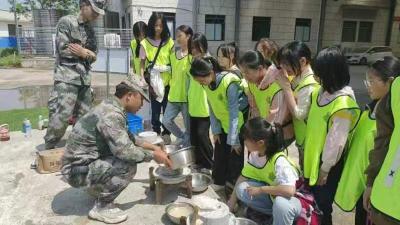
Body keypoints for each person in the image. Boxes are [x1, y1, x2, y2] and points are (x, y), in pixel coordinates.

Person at [62, 78, 172, 224]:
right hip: (75, 171)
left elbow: (129, 139)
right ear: (130, 95)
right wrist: (153, 156)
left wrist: (154, 147)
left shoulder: (113, 106)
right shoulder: (111, 114)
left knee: (127, 154)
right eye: (141, 99)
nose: (142, 104)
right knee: (128, 164)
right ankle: (102, 206)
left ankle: (96, 187)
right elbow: (125, 151)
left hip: (81, 164)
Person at [335, 57, 400, 225]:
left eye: (372, 80)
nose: (367, 85)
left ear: (391, 83)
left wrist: (371, 183)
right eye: (367, 80)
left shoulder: (390, 117)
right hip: (364, 186)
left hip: (379, 191)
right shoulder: (370, 109)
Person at [303, 47, 360, 225]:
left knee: (322, 208)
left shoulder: (343, 103)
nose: (315, 77)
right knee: (311, 204)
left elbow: (336, 142)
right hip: (311, 159)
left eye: (318, 73)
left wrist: (325, 169)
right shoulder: (319, 93)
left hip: (327, 165)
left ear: (331, 74)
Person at [44, 0, 105, 150]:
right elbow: (64, 49)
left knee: (84, 118)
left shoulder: (90, 30)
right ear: (84, 5)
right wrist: (86, 53)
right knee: (61, 117)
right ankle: (49, 148)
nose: (97, 14)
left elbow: (94, 55)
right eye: (94, 10)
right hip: (67, 78)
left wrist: (83, 52)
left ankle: (77, 149)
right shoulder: (66, 22)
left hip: (84, 79)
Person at [228, 118, 301, 225]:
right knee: (241, 189)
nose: (244, 142)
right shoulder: (255, 155)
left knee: (281, 205)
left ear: (260, 143)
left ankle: (283, 217)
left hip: (292, 202)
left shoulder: (279, 161)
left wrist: (261, 189)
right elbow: (243, 177)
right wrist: (230, 205)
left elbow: (290, 191)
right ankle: (275, 216)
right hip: (273, 198)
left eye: (246, 139)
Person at [190, 56, 248, 190]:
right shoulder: (207, 84)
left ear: (210, 73)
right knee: (220, 155)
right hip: (222, 124)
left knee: (235, 160)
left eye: (202, 80)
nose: (201, 84)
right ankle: (219, 183)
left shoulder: (229, 83)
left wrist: (234, 140)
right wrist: (215, 130)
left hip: (236, 126)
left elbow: (234, 114)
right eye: (199, 82)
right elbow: (211, 107)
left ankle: (233, 190)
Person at [363, 62, 400, 225]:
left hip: (387, 204)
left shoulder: (396, 88)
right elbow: (382, 143)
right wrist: (371, 182)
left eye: (372, 81)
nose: (368, 86)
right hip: (387, 203)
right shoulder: (396, 90)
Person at [274, 41, 319, 166]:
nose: (284, 68)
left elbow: (299, 114)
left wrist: (286, 88)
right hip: (301, 138)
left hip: (308, 141)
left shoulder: (309, 84)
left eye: (287, 64)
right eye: (282, 64)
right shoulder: (298, 78)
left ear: (303, 61)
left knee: (307, 173)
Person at [239, 50, 294, 146]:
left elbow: (277, 121)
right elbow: (255, 109)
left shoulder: (277, 86)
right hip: (263, 132)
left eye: (247, 73)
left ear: (260, 69)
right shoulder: (252, 84)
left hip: (279, 135)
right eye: (242, 73)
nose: (245, 77)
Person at [139, 12, 174, 143]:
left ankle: (166, 132)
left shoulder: (169, 42)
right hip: (153, 83)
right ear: (151, 26)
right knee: (155, 110)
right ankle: (156, 131)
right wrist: (142, 79)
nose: (158, 28)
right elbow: (142, 64)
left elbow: (173, 63)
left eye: (161, 26)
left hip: (168, 82)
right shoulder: (144, 43)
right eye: (155, 26)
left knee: (167, 110)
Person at [162, 25, 193, 147]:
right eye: (177, 36)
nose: (178, 39)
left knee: (189, 128)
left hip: (187, 98)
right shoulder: (173, 56)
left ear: (188, 36)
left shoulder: (192, 56)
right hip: (174, 96)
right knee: (166, 121)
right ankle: (182, 137)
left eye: (180, 36)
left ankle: (187, 150)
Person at [187, 33, 214, 169]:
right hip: (193, 105)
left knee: (202, 136)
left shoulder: (208, 62)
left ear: (203, 46)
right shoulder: (192, 61)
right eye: (192, 48)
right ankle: (198, 162)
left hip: (204, 106)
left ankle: (209, 164)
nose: (194, 51)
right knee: (194, 138)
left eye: (197, 47)